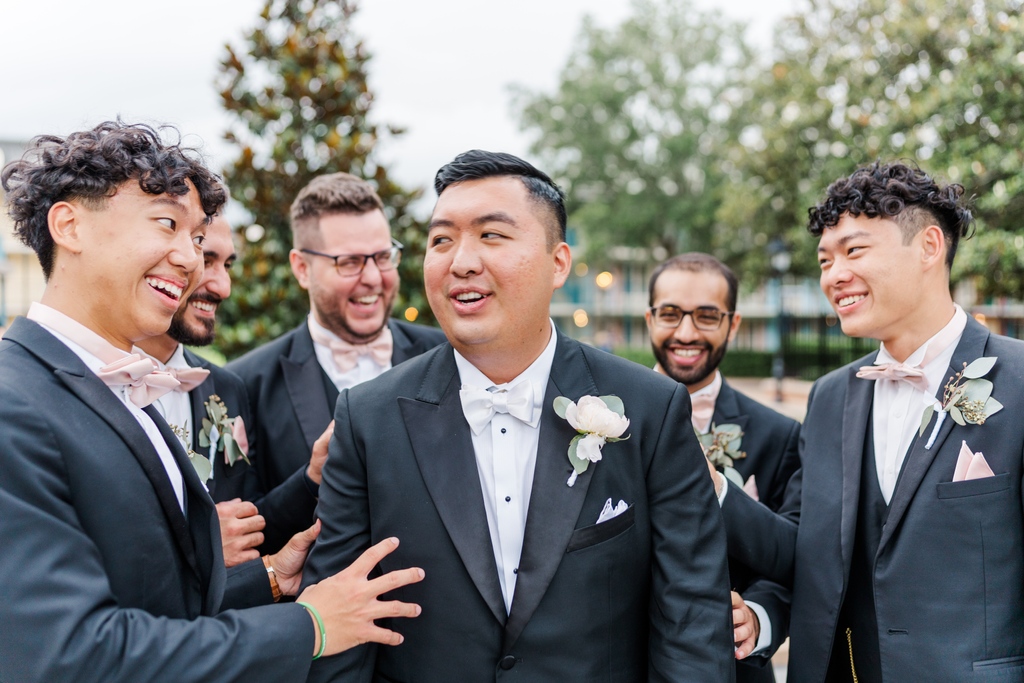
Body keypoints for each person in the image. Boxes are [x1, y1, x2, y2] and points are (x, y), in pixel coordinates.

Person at [0, 121, 423, 683]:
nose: (190, 260)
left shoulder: (131, 392)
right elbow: (72, 655)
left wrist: (272, 577)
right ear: (69, 225)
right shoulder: (14, 405)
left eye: (196, 238)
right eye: (168, 225)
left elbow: (157, 597)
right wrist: (311, 627)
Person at [302, 150, 733, 682]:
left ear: (558, 263)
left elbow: (691, 617)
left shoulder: (650, 408)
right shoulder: (367, 419)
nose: (461, 261)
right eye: (441, 240)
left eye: (491, 235)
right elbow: (337, 634)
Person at [713, 161, 1024, 682]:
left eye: (854, 251)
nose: (834, 276)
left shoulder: (1020, 381)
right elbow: (809, 549)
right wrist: (713, 488)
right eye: (824, 260)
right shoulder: (831, 397)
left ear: (929, 247)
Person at [227, 173, 445, 522]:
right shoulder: (246, 384)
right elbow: (248, 531)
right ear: (302, 268)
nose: (374, 278)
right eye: (350, 262)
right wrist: (310, 479)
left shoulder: (448, 357)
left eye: (383, 256)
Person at [137, 212, 330, 562]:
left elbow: (249, 525)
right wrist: (199, 545)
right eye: (206, 259)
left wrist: (312, 477)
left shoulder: (226, 387)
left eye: (227, 265)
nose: (223, 287)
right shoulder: (97, 380)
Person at [646, 253, 800, 682]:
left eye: (707, 316)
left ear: (732, 324)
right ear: (649, 318)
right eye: (671, 314)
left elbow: (797, 561)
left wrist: (758, 616)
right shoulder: (601, 418)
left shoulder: (780, 435)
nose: (686, 333)